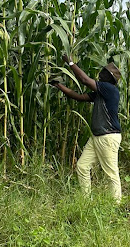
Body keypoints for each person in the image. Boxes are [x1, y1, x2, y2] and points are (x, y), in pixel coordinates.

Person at [51, 54, 122, 203]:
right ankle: (86, 201)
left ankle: (116, 205)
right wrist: (59, 86)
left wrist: (70, 62)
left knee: (111, 173)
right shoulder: (100, 93)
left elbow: (84, 80)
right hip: (97, 136)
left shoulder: (109, 89)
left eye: (104, 72)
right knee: (82, 166)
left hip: (108, 136)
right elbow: (79, 97)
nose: (100, 73)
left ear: (109, 78)